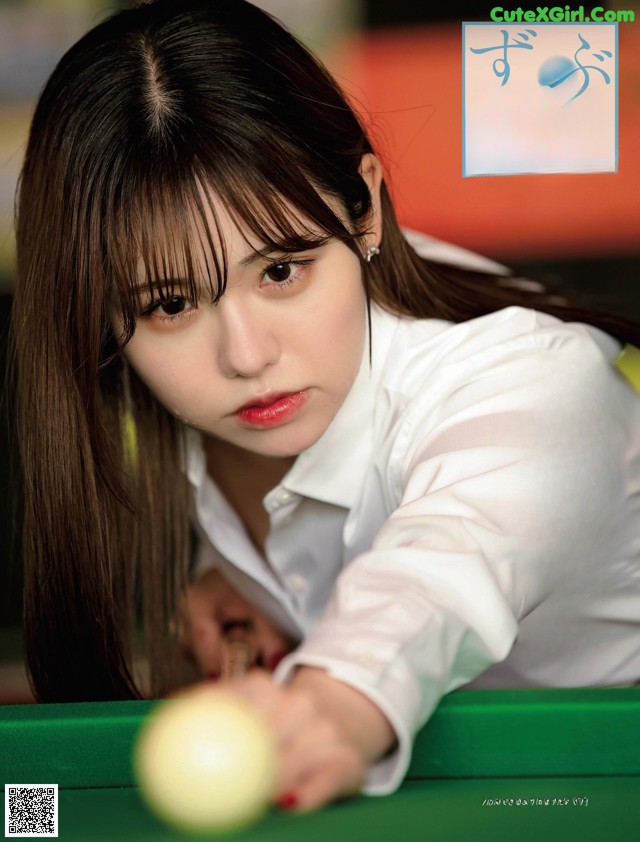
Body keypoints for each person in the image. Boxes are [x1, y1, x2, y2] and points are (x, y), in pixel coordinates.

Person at [11, 0, 640, 813]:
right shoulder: (218, 401)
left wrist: (328, 702)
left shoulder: (534, 384)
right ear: (94, 313)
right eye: (169, 304)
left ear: (366, 210)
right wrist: (236, 576)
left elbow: (440, 572)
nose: (246, 354)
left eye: (281, 272)